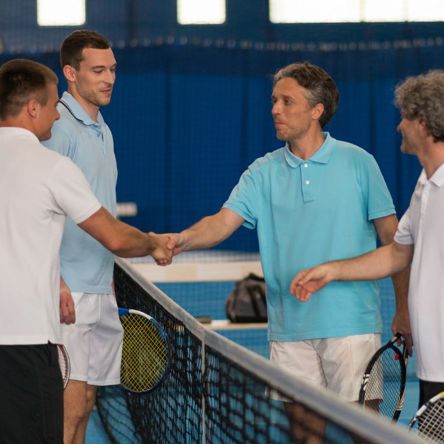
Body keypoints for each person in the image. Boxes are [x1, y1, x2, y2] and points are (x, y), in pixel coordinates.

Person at [166, 62, 409, 441]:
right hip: (289, 328)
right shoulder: (262, 171)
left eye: (286, 101)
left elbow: (395, 243)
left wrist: (404, 308)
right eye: (274, 100)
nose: (275, 109)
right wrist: (182, 240)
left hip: (352, 325)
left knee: (365, 434)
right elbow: (222, 222)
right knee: (303, 436)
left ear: (316, 110)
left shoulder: (360, 163)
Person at [0, 59, 170, 444]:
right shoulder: (52, 166)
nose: (58, 114)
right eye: (52, 104)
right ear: (32, 108)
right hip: (27, 342)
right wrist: (154, 242)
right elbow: (115, 237)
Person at [291, 70, 444, 410]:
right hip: (433, 363)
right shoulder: (425, 185)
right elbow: (396, 254)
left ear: (423, 122)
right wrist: (331, 270)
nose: (398, 126)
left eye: (404, 117)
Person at [41, 29, 134, 444]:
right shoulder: (57, 129)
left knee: (86, 403)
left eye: (112, 69)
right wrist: (55, 278)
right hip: (67, 293)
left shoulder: (103, 128)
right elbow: (39, 206)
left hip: (98, 286)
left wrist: (107, 273)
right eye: (98, 70)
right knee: (69, 405)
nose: (108, 78)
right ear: (70, 73)